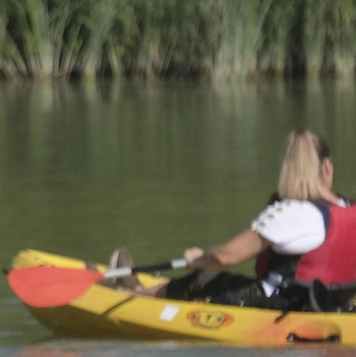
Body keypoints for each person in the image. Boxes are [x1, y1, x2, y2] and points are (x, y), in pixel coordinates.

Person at [135, 129, 356, 311]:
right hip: (337, 306)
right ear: (327, 167)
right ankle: (142, 289)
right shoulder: (349, 208)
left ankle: (134, 297)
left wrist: (198, 260)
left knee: (207, 278)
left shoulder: (292, 212)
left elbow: (224, 257)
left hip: (287, 304)